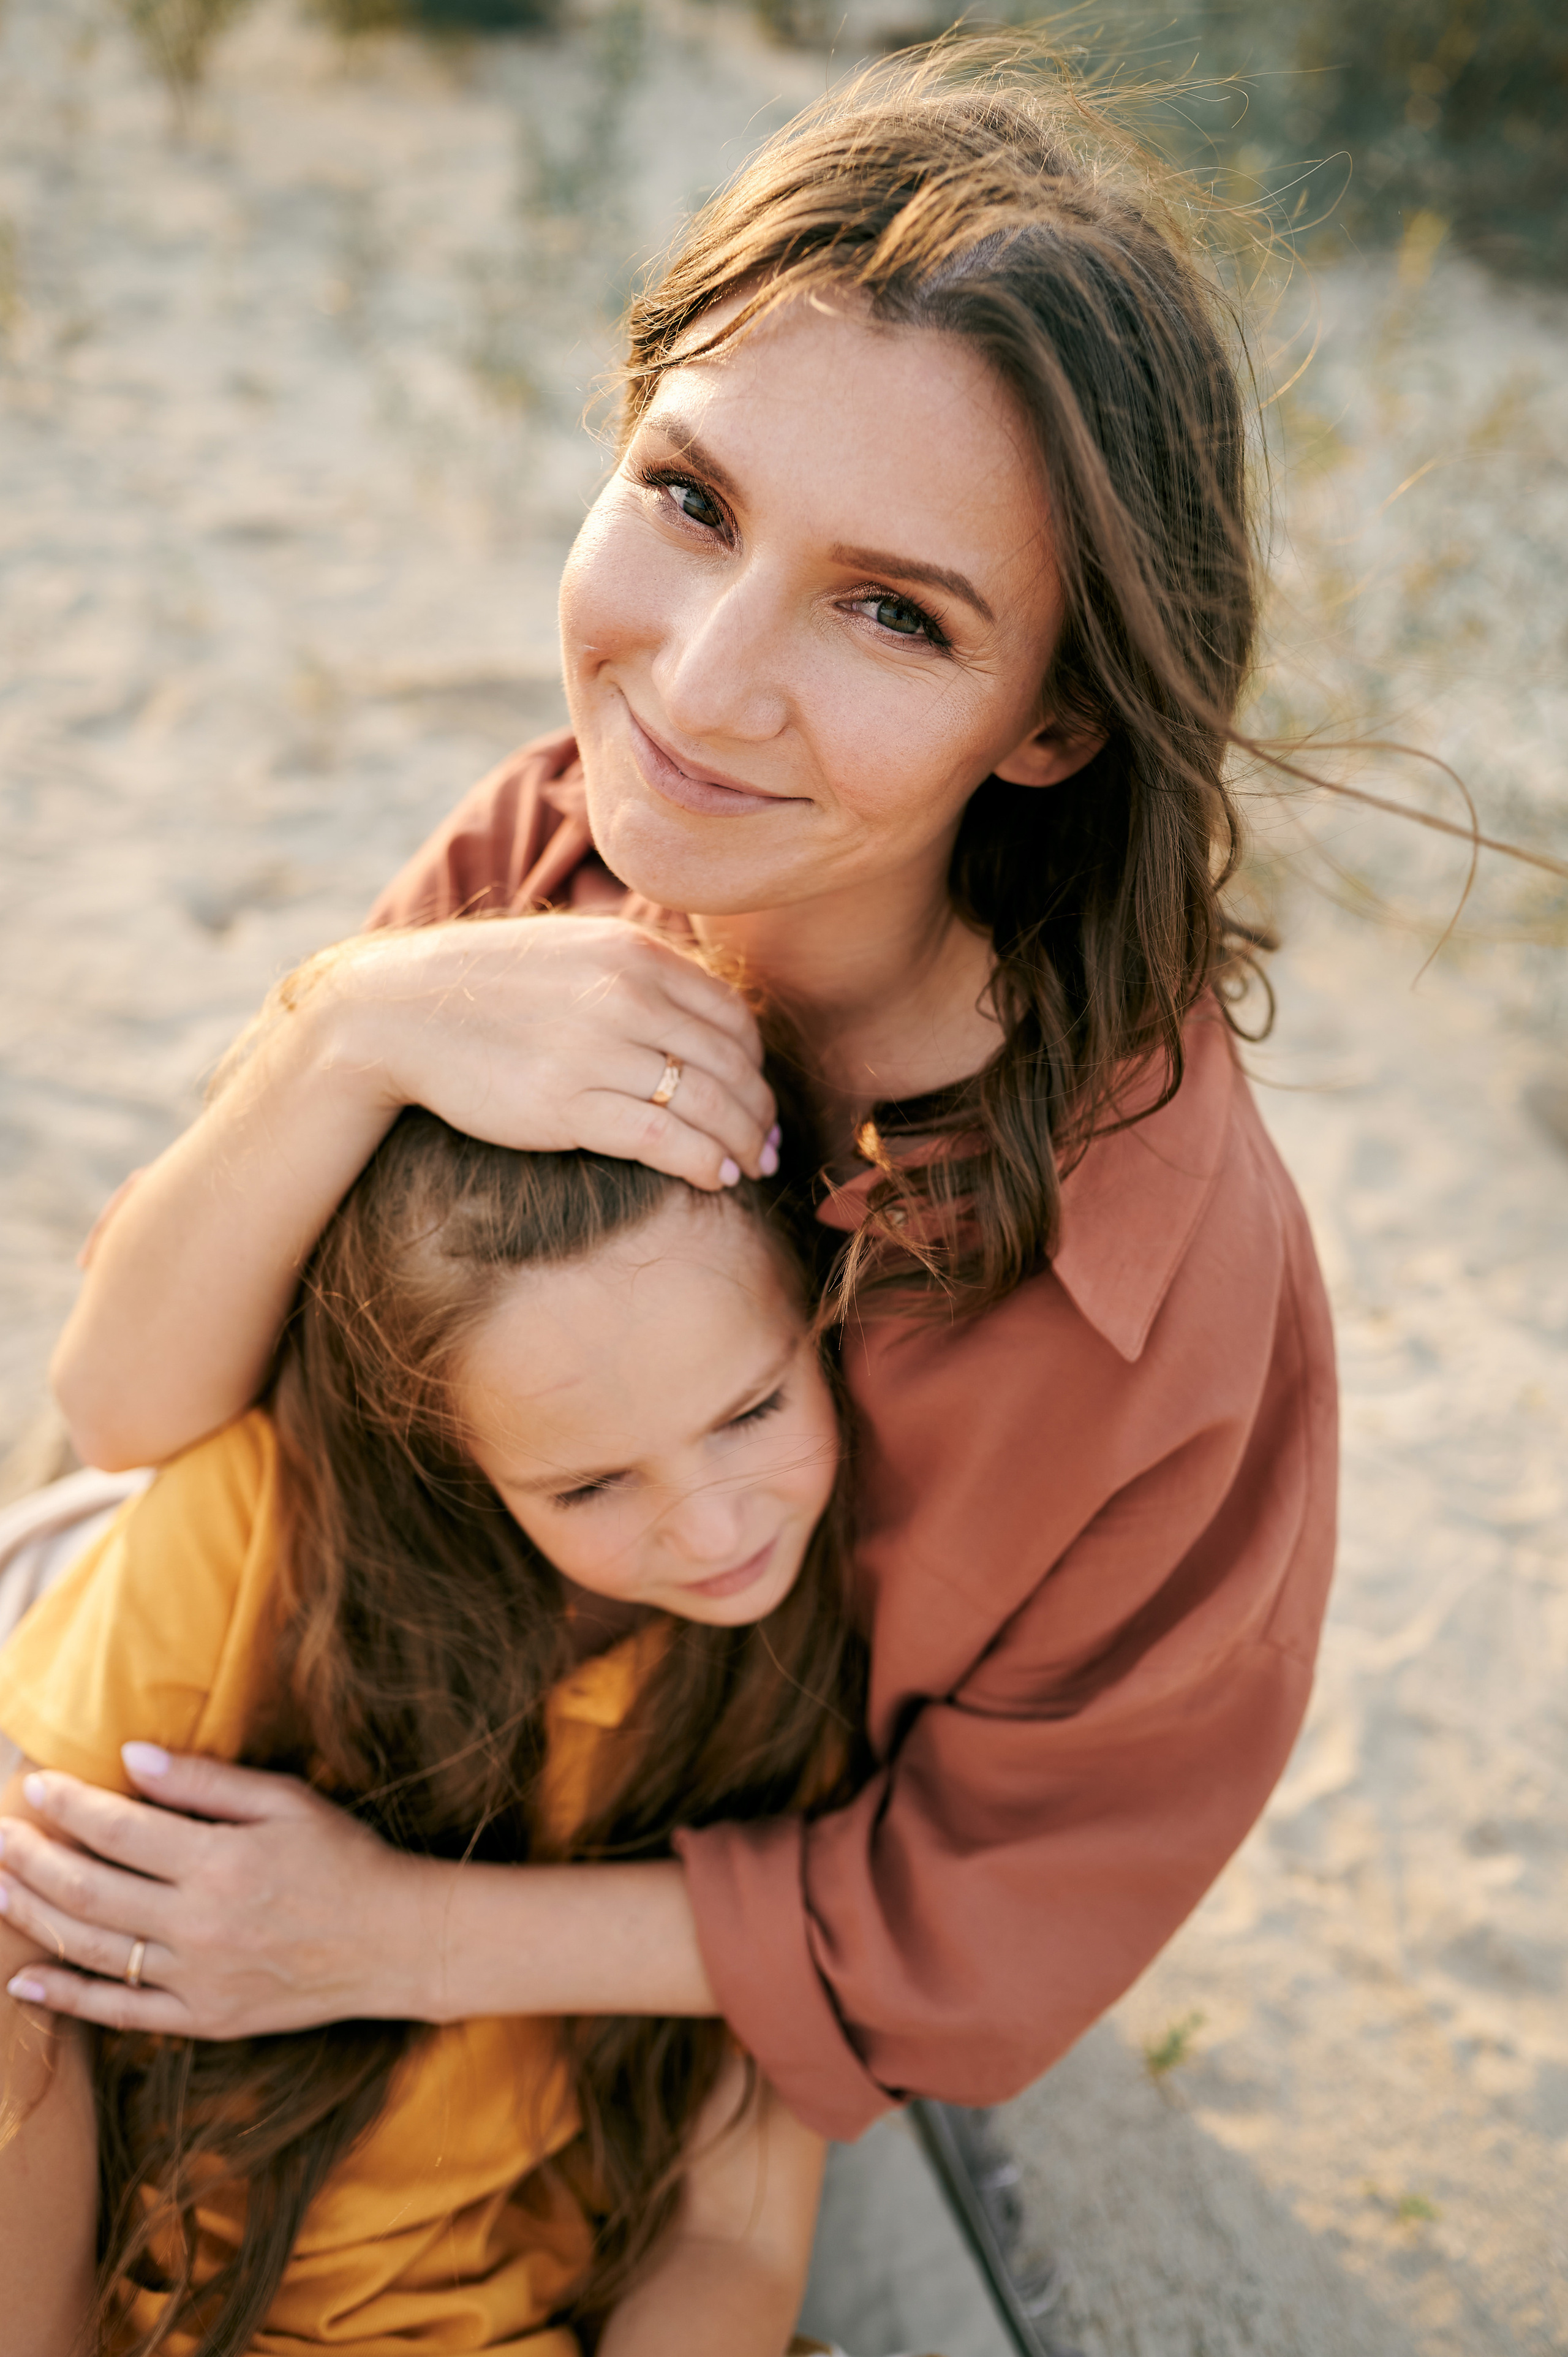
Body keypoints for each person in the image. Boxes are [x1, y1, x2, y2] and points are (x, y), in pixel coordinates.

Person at [3, 45, 1337, 2146]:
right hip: (328, 1701)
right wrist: (349, 1024)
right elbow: (130, 1406)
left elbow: (993, 1919)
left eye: (893, 612)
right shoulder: (543, 858)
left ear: (1058, 720)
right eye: (690, 499)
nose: (702, 686)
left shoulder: (1150, 1296)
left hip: (648, 2006)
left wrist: (382, 1934)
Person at [0, 1102, 854, 2357]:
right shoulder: (255, 1534)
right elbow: (25, 1955)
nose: (714, 1530)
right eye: (588, 1483)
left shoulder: (799, 1693)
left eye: (751, 1410)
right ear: (452, 1458)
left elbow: (737, 2234)